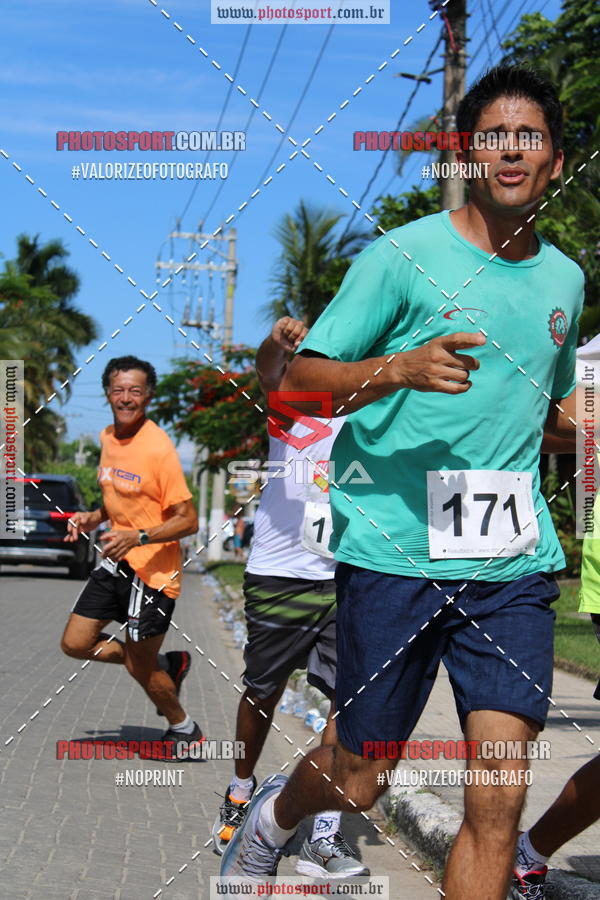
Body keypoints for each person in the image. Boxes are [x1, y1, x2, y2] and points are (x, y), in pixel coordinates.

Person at [221, 65, 584, 899]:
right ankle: (276, 818)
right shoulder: (403, 255)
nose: (511, 151)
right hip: (393, 547)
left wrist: (583, 424)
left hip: (510, 564)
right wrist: (398, 370)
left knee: (498, 797)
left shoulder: (566, 279)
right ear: (467, 151)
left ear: (556, 161)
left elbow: (549, 410)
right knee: (362, 773)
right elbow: (295, 386)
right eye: (494, 135)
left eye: (529, 136)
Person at [213, 317, 368, 878]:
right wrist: (275, 345)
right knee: (262, 691)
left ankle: (323, 836)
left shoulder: (373, 414)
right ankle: (240, 788)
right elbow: (266, 369)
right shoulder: (293, 406)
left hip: (347, 574)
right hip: (279, 573)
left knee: (344, 700)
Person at [60, 355, 202, 759]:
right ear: (107, 393)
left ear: (149, 396)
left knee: (140, 667)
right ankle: (165, 665)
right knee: (75, 643)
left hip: (153, 574)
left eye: (135, 391)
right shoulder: (106, 438)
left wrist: (139, 536)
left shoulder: (158, 448)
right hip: (116, 560)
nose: (126, 398)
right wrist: (93, 516)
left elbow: (187, 519)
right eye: (119, 390)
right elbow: (120, 501)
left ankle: (184, 728)